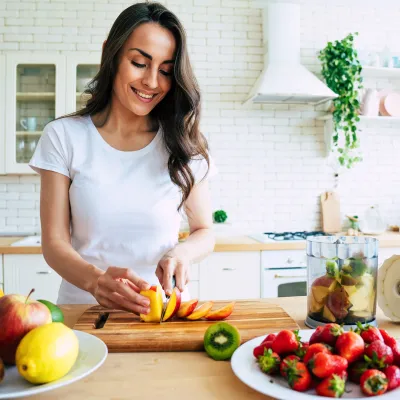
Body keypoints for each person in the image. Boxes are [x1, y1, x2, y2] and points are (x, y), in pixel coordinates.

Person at [29, 2, 217, 315]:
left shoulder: (183, 143)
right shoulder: (64, 136)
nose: (152, 82)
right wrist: (95, 281)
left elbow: (204, 231)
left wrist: (182, 254)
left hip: (161, 312)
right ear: (110, 54)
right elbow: (54, 244)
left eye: (166, 71)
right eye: (139, 63)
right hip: (83, 313)